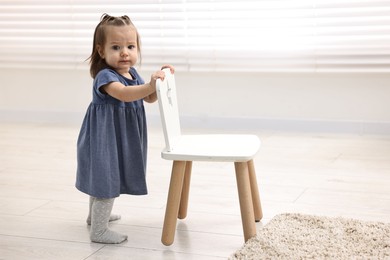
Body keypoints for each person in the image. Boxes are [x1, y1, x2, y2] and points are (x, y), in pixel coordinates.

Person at [75, 13, 174, 244]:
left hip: (120, 137)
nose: (125, 53)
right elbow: (124, 94)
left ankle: (95, 217)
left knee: (108, 175)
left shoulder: (133, 73)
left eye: (130, 46)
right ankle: (98, 231)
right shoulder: (105, 77)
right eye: (116, 47)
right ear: (101, 51)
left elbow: (147, 98)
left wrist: (159, 83)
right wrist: (148, 85)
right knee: (106, 178)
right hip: (104, 137)